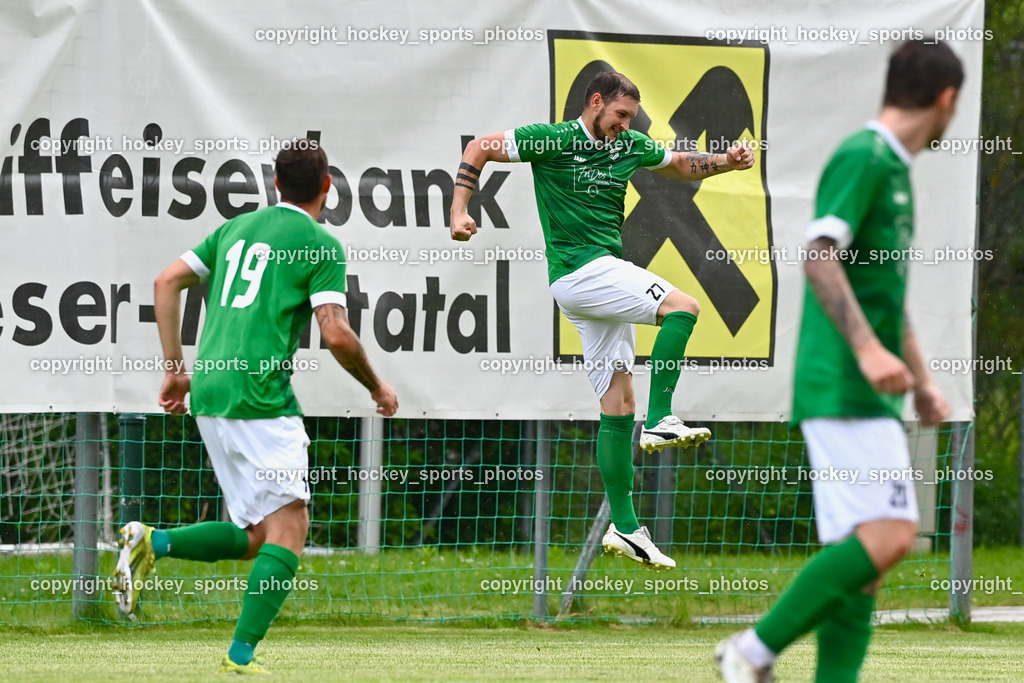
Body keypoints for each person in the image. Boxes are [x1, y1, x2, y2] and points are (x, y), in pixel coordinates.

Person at [715, 40, 961, 682]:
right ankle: (752, 650)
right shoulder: (865, 155)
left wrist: (925, 382)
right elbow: (819, 252)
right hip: (840, 386)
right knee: (895, 535)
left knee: (864, 566)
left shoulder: (895, 170)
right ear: (946, 99)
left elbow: (885, 296)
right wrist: (866, 349)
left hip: (867, 392)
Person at [114, 142, 398, 674]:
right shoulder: (319, 244)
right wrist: (377, 387)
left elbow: (165, 281)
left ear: (275, 184)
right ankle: (240, 658)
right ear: (328, 186)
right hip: (259, 397)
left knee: (256, 538)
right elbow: (336, 334)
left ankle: (153, 541)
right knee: (290, 527)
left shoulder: (234, 229)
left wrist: (176, 367)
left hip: (212, 393)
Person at [450, 72, 754, 569]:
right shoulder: (552, 139)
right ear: (595, 102)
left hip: (592, 283)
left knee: (617, 400)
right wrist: (459, 210)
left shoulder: (628, 144)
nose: (624, 125)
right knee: (684, 307)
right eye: (619, 115)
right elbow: (480, 147)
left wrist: (725, 161)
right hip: (581, 271)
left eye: (630, 118)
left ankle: (627, 527)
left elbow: (677, 162)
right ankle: (660, 421)